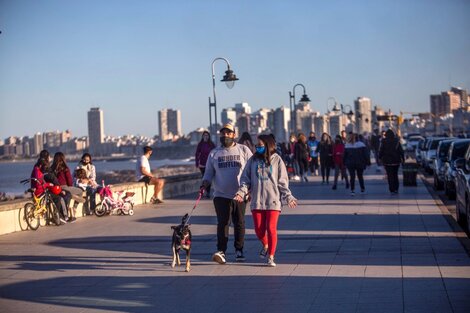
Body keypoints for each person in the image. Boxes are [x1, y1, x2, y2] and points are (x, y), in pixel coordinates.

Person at [234, 134, 297, 267]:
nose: (258, 148)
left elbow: (283, 182)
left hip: (273, 201)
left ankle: (271, 257)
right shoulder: (253, 160)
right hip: (256, 201)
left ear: (268, 146)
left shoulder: (277, 160)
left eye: (261, 146)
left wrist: (288, 196)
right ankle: (266, 245)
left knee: (271, 228)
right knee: (259, 231)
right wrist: (241, 191)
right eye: (257, 146)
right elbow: (245, 178)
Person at [201, 123, 253, 264]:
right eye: (223, 133)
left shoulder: (244, 150)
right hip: (220, 195)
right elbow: (208, 173)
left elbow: (251, 171)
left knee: (239, 223)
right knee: (223, 223)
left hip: (240, 194)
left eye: (228, 133)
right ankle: (221, 251)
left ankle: (239, 249)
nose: (225, 135)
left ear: (234, 134)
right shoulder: (214, 153)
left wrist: (250, 189)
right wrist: (204, 184)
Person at [51, 152, 85, 222]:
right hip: (65, 187)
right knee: (80, 191)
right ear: (63, 158)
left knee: (68, 194)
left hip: (55, 188)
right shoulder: (65, 168)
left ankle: (72, 196)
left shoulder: (52, 168)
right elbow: (69, 181)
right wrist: (70, 187)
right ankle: (75, 208)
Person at [379, 129, 405, 194]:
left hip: (387, 161)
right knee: (395, 175)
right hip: (396, 161)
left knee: (390, 175)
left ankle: (392, 189)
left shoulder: (384, 141)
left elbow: (381, 150)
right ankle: (396, 188)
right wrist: (403, 158)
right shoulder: (397, 141)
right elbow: (401, 150)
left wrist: (379, 157)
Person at [195, 131, 215, 198]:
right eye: (204, 135)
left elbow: (215, 153)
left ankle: (208, 192)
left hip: (209, 164)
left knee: (208, 178)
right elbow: (197, 154)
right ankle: (203, 190)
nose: (206, 137)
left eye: (207, 135)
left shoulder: (211, 144)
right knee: (204, 178)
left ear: (209, 136)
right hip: (202, 165)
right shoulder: (200, 144)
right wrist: (197, 163)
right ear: (203, 136)